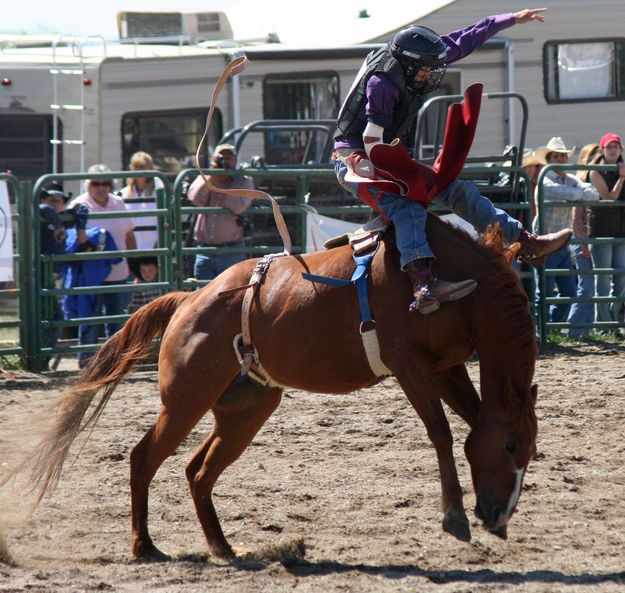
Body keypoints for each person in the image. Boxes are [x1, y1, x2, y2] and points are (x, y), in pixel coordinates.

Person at [333, 8, 572, 314]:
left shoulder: (415, 58)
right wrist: (392, 175)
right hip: (354, 157)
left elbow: (466, 38)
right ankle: (423, 283)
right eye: (425, 70)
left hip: (384, 153)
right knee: (405, 207)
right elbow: (371, 138)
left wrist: (511, 18)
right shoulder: (382, 84)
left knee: (456, 189)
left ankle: (523, 241)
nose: (431, 74)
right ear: (407, 64)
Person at [70, 164, 137, 367]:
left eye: (105, 183)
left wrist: (134, 264)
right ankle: (87, 365)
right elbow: (70, 239)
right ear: (88, 184)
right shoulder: (79, 205)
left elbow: (129, 235)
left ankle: (112, 364)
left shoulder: (118, 202)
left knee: (116, 322)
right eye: (96, 183)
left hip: (119, 273)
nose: (101, 187)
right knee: (89, 322)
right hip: (90, 275)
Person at [533, 137, 599, 324]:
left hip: (563, 243)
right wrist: (579, 195)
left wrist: (578, 194)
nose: (561, 159)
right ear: (550, 159)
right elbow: (568, 193)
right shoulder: (544, 180)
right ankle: (541, 331)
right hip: (544, 242)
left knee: (569, 292)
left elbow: (593, 193)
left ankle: (551, 327)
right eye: (557, 156)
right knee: (544, 291)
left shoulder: (568, 179)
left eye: (563, 156)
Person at [39, 182, 89, 367]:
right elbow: (43, 208)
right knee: (53, 319)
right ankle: (41, 360)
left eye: (58, 201)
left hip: (51, 276)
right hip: (41, 274)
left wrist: (80, 228)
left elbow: (82, 209)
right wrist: (59, 225)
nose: (54, 204)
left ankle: (42, 360)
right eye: (51, 200)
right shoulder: (43, 216)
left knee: (52, 318)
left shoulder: (60, 218)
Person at [187, 144, 253, 281]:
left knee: (233, 297)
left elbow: (238, 206)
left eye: (229, 158)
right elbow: (194, 198)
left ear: (235, 161)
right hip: (205, 250)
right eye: (222, 157)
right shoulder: (206, 176)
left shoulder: (243, 180)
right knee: (203, 296)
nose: (225, 161)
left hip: (231, 251)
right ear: (214, 159)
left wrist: (222, 183)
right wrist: (212, 178)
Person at [588, 133, 625, 329]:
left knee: (621, 278)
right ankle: (603, 324)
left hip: (621, 232)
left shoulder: (622, 169)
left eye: (616, 147)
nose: (612, 150)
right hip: (601, 231)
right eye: (609, 147)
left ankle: (616, 322)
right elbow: (609, 199)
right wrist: (622, 178)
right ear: (602, 150)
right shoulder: (595, 171)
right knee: (602, 279)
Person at [568, 143, 601, 337]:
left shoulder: (587, 183)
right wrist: (582, 242)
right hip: (582, 239)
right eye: (594, 155)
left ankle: (585, 329)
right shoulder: (582, 182)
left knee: (590, 285)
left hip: (586, 239)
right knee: (586, 285)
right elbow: (576, 218)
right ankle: (575, 329)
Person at [120, 151, 165, 251]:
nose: (139, 170)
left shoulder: (158, 193)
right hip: (130, 248)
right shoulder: (123, 194)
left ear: (150, 168)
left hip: (153, 248)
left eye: (142, 166)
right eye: (136, 166)